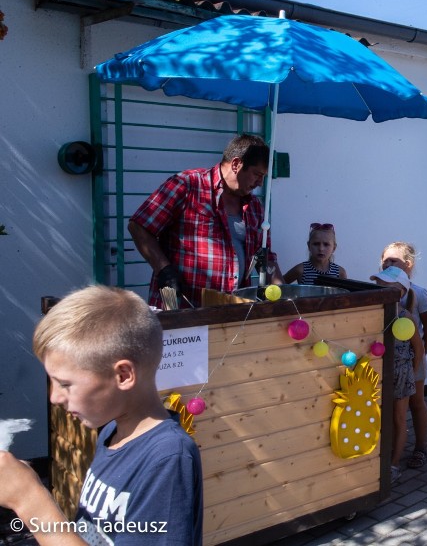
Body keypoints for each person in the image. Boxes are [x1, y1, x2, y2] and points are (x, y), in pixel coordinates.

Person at [0, 285, 203, 545]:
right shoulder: (111, 431)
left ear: (123, 376)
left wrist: (28, 498)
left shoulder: (168, 458)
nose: (54, 398)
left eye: (65, 384)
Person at [128, 134, 283, 309]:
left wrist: (287, 298)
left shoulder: (254, 206)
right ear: (236, 164)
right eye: (257, 174)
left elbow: (266, 256)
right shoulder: (187, 185)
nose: (260, 183)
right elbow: (139, 226)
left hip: (231, 311)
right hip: (182, 308)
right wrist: (163, 269)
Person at [380, 242, 427, 470]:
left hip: (412, 359)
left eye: (394, 261)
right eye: (385, 260)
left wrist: (420, 359)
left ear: (408, 264)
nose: (388, 264)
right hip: (390, 360)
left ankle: (421, 446)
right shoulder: (381, 291)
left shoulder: (419, 294)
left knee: (416, 402)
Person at [369, 266, 425, 484]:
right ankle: (378, 459)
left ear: (401, 292)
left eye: (387, 288)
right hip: (379, 374)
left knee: (399, 419)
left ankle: (393, 465)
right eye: (378, 286)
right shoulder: (375, 315)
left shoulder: (406, 317)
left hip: (401, 374)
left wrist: (410, 372)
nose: (380, 291)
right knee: (380, 418)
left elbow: (418, 349)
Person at [283, 223, 348, 285]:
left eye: (326, 244)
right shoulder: (301, 270)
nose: (321, 249)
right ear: (309, 246)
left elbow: (345, 295)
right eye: (316, 244)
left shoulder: (340, 272)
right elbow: (280, 285)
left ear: (334, 248)